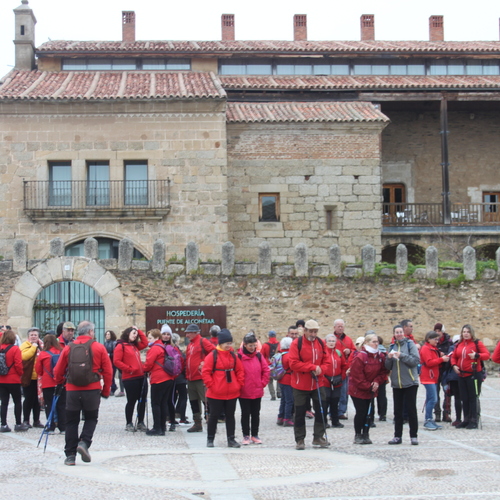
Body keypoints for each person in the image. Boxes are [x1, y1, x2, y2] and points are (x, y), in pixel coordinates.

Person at [54, 320, 113, 466]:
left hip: (73, 390)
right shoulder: (98, 347)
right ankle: (84, 442)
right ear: (91, 332)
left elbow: (58, 370)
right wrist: (105, 390)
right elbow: (108, 372)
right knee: (91, 418)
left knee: (71, 421)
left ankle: (70, 455)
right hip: (92, 389)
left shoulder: (68, 348)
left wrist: (61, 381)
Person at [288, 319, 332, 450]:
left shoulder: (321, 343)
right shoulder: (297, 343)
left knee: (321, 409)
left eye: (316, 331)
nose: (313, 334)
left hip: (317, 383)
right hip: (300, 384)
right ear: (305, 331)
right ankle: (300, 439)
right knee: (300, 412)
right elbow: (293, 363)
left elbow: (327, 362)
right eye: (311, 331)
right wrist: (311, 367)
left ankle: (318, 436)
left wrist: (321, 369)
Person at [202, 328, 244, 448]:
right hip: (216, 392)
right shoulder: (212, 356)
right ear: (221, 343)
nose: (229, 346)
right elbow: (206, 372)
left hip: (232, 392)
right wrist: (211, 386)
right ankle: (210, 439)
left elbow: (240, 371)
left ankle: (231, 439)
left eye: (230, 343)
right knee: (214, 416)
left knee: (230, 416)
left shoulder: (233, 356)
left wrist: (239, 384)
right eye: (227, 343)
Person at [349, 334, 388, 444]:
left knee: (369, 412)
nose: (376, 344)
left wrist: (376, 382)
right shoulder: (360, 357)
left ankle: (366, 433)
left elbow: (383, 372)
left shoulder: (380, 356)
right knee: (361, 412)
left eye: (377, 342)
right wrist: (368, 386)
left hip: (371, 388)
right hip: (358, 389)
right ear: (367, 343)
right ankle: (358, 434)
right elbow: (356, 375)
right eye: (374, 342)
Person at [386, 324, 420, 445]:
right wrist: (389, 358)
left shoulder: (410, 345)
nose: (399, 334)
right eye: (397, 332)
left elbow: (415, 361)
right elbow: (388, 367)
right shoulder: (392, 346)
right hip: (397, 383)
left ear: (403, 333)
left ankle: (413, 436)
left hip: (410, 382)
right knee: (397, 411)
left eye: (400, 332)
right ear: (394, 334)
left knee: (411, 410)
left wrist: (402, 356)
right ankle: (397, 436)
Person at [450, 324, 490, 429]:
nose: (466, 334)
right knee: (464, 398)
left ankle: (474, 420)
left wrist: (477, 355)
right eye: (464, 332)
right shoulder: (459, 344)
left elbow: (487, 355)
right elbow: (454, 356)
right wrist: (454, 365)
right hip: (461, 374)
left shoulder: (477, 343)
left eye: (468, 332)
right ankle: (466, 419)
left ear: (471, 333)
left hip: (473, 374)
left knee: (473, 398)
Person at [113, 326, 149, 432]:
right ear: (128, 333)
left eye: (136, 334)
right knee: (131, 401)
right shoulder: (121, 346)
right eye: (133, 333)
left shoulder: (135, 346)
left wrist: (139, 331)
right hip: (130, 378)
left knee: (142, 400)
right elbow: (117, 361)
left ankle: (140, 422)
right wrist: (128, 369)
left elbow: (145, 342)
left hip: (141, 376)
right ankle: (129, 423)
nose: (135, 335)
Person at [238, 332, 270, 445]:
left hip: (257, 390)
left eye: (254, 345)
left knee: (256, 414)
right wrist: (240, 385)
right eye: (250, 345)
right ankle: (246, 435)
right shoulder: (239, 357)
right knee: (245, 414)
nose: (252, 348)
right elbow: (237, 372)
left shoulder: (259, 356)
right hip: (244, 391)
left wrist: (262, 383)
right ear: (245, 345)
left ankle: (255, 434)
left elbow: (266, 370)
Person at [143, 329, 175, 436]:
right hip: (168, 378)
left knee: (156, 403)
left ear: (156, 338)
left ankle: (157, 428)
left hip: (158, 378)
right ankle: (162, 427)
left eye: (150, 338)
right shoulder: (163, 347)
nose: (148, 340)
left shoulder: (155, 348)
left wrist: (143, 369)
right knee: (163, 403)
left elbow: (148, 364)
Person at [185, 323, 215, 433]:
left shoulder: (203, 341)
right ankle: (197, 422)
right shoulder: (190, 345)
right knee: (193, 401)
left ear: (194, 333)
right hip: (191, 377)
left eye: (188, 333)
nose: (187, 335)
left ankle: (211, 422)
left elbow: (214, 352)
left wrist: (205, 363)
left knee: (205, 401)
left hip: (200, 377)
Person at [35, 334, 66, 433]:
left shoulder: (43, 354)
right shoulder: (61, 352)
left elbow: (38, 370)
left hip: (47, 383)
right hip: (60, 382)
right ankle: (63, 427)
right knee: (61, 405)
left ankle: (51, 426)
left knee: (49, 404)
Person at [0, 329, 29, 432]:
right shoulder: (15, 349)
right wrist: (21, 374)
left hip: (1, 379)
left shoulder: (0, 348)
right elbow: (18, 364)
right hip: (13, 379)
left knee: (4, 402)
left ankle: (3, 424)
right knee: (17, 401)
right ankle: (18, 423)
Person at [420, 331, 449, 431]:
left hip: (432, 377)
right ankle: (428, 420)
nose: (437, 341)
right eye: (435, 339)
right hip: (428, 377)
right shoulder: (426, 348)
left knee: (430, 398)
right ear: (429, 339)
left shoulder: (432, 348)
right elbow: (429, 363)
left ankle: (430, 419)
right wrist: (441, 359)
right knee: (433, 399)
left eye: (438, 339)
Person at [20, 327, 44, 428]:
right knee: (28, 399)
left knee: (37, 401)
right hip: (29, 377)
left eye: (35, 335)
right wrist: (33, 347)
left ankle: (36, 420)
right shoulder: (24, 346)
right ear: (28, 337)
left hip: (39, 378)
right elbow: (24, 356)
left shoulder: (41, 345)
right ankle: (26, 420)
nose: (34, 337)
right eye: (32, 335)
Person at [323, 333, 347, 429]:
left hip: (337, 380)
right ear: (326, 342)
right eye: (330, 341)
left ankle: (335, 420)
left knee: (335, 400)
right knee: (326, 400)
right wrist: (326, 378)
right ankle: (323, 421)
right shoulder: (323, 353)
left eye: (333, 341)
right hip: (325, 381)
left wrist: (341, 377)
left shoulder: (338, 352)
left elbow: (344, 366)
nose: (331, 343)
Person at [333, 319, 355, 420]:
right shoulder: (331, 339)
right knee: (333, 393)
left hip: (345, 369)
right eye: (338, 326)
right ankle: (332, 411)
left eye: (342, 326)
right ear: (334, 327)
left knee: (344, 392)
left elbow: (355, 351)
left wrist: (349, 351)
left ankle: (341, 411)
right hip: (334, 369)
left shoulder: (348, 340)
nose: (340, 328)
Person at [160, 325, 180, 431]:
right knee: (161, 401)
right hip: (160, 377)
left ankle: (172, 421)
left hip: (171, 378)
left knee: (170, 401)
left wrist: (174, 375)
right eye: (164, 334)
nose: (166, 336)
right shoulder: (158, 346)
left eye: (168, 334)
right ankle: (161, 422)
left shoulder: (173, 348)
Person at [434, 323, 452, 422]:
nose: (437, 333)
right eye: (436, 331)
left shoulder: (448, 342)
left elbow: (452, 354)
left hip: (446, 370)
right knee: (435, 393)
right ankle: (437, 413)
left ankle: (446, 413)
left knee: (447, 392)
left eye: (439, 331)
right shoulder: (432, 341)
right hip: (436, 370)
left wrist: (444, 355)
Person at [171, 333, 189, 425]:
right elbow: (183, 363)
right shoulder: (178, 351)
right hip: (180, 378)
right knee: (183, 397)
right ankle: (182, 417)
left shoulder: (169, 350)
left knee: (172, 398)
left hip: (172, 377)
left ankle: (171, 418)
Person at [276, 337, 294, 427]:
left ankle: (280, 417)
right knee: (289, 400)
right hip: (288, 379)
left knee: (283, 400)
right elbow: (293, 367)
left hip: (281, 379)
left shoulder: (280, 354)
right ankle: (287, 418)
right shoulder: (289, 355)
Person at [261, 330, 280, 400]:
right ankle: (279, 392)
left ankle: (273, 395)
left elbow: (262, 355)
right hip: (277, 365)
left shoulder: (265, 345)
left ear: (268, 336)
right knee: (279, 379)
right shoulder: (279, 344)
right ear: (275, 336)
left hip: (268, 365)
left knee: (270, 381)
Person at [103, 330, 118, 395]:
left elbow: (116, 352)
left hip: (112, 361)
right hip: (107, 361)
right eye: (106, 334)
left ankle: (113, 387)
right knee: (108, 375)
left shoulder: (114, 343)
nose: (107, 335)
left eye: (108, 334)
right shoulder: (105, 343)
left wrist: (109, 354)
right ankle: (113, 387)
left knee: (112, 375)